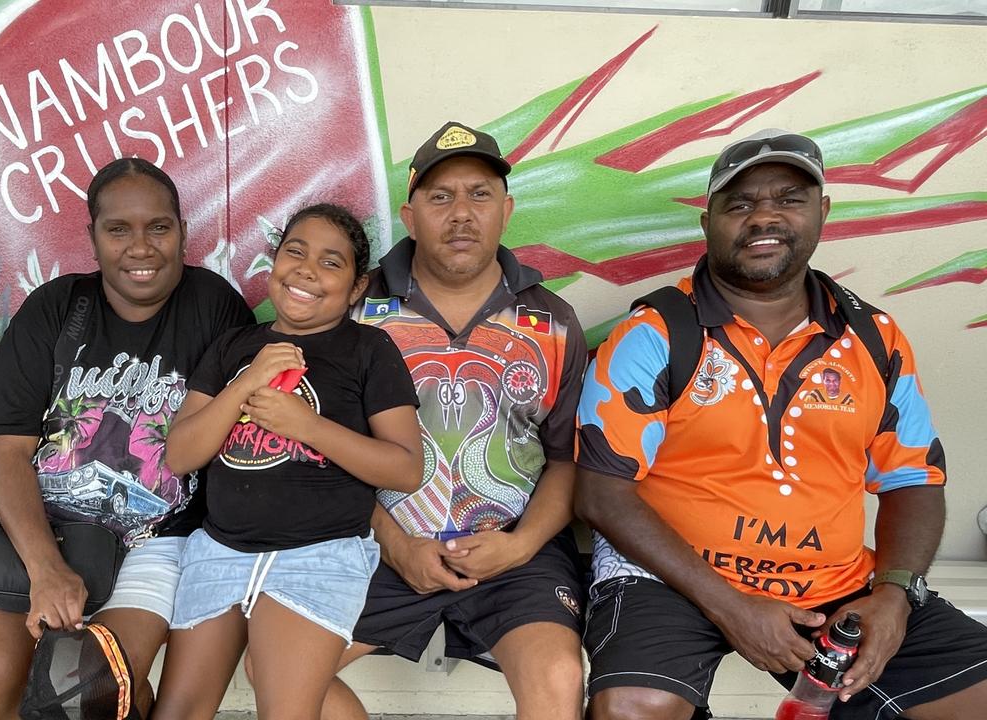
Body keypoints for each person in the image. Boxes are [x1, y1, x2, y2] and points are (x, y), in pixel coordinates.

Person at [576, 128, 987, 719]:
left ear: (821, 211)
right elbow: (601, 492)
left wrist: (895, 595)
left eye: (788, 199)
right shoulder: (658, 332)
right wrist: (733, 607)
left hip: (834, 582)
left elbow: (913, 479)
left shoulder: (874, 338)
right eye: (739, 204)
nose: (763, 217)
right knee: (634, 708)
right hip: (669, 575)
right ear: (708, 221)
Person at [0, 158, 253, 720]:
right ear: (92, 237)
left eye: (158, 228)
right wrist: (46, 568)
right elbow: (5, 454)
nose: (140, 247)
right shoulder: (56, 307)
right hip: (36, 528)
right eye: (118, 229)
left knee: (85, 686)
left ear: (182, 232)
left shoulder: (214, 307)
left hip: (154, 537)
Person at [323, 122, 589, 720]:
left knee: (558, 676)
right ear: (409, 214)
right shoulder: (359, 312)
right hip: (376, 543)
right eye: (440, 197)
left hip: (511, 548)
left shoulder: (553, 321)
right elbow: (327, 452)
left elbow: (568, 460)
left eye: (480, 194)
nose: (461, 213)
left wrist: (519, 547)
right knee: (279, 671)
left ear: (507, 210)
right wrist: (396, 546)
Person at [152, 203, 423, 720]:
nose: (306, 270)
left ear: (357, 286)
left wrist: (307, 426)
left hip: (317, 555)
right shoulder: (236, 346)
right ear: (273, 262)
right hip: (219, 550)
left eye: (330, 262)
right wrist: (248, 383)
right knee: (177, 712)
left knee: (287, 710)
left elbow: (404, 468)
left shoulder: (368, 348)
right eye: (294, 252)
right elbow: (180, 455)